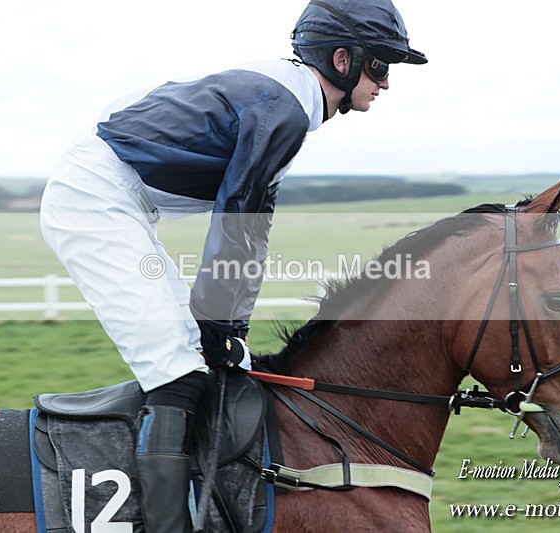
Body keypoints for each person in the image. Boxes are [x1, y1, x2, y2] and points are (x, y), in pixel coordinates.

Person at [39, 0, 426, 530]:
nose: (385, 82)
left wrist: (227, 330)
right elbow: (237, 219)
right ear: (343, 60)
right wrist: (222, 324)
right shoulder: (286, 108)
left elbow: (252, 225)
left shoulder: (289, 101)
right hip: (94, 198)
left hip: (118, 198)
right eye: (380, 65)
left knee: (200, 355)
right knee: (175, 371)